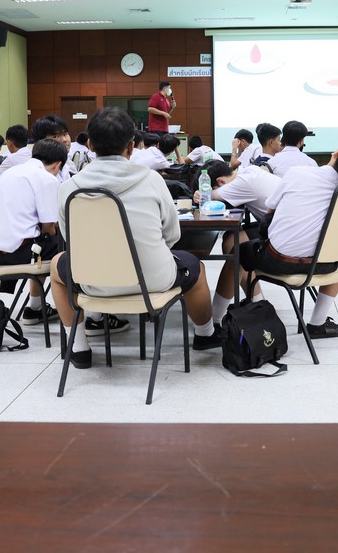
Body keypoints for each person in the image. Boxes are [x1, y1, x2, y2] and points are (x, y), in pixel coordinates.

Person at [51, 108, 220, 369]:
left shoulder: (69, 187)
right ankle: (205, 334)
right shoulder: (151, 179)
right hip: (153, 280)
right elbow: (172, 234)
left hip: (92, 282)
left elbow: (70, 240)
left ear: (90, 145)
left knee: (56, 264)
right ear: (131, 146)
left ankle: (79, 347)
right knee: (196, 267)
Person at [240, 137, 338, 338]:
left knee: (237, 250)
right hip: (327, 266)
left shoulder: (297, 173)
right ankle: (317, 323)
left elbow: (269, 210)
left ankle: (259, 311)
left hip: (278, 261)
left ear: (337, 152)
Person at [0, 139, 68, 326]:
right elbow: (48, 227)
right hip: (20, 253)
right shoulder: (46, 178)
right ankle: (86, 315)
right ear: (57, 165)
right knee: (71, 248)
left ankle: (35, 307)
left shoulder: (11, 172)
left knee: (42, 241)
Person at [195, 159, 283, 319]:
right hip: (282, 229)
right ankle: (258, 302)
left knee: (237, 252)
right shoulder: (248, 172)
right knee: (231, 241)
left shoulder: (243, 182)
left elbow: (206, 196)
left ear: (221, 182)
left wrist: (200, 194)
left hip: (284, 238)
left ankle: (214, 320)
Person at [0, 116, 73, 183]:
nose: (64, 139)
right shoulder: (32, 171)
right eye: (55, 136)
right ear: (41, 142)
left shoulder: (67, 164)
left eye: (65, 134)